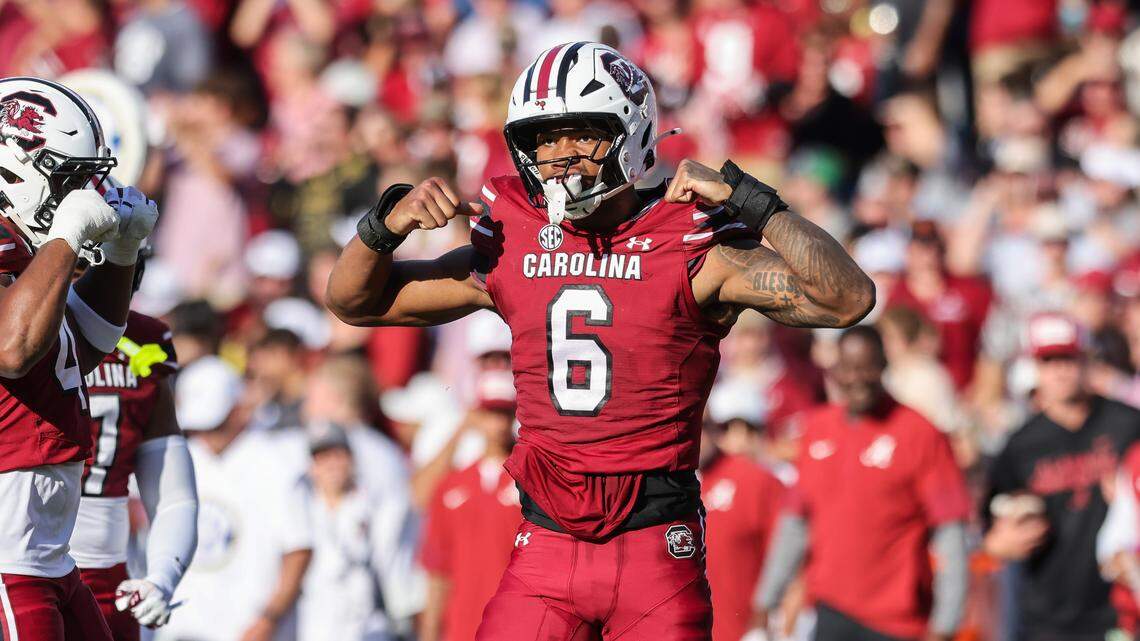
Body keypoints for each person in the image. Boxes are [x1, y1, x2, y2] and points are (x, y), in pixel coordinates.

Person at [328, 42, 874, 641]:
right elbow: (354, 302)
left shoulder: (695, 244)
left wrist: (753, 202)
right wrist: (383, 227)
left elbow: (847, 297)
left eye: (581, 135)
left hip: (655, 550)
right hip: (544, 547)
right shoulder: (513, 242)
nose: (560, 156)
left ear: (632, 131)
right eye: (544, 138)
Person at [0, 76, 159, 641]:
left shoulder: (23, 246)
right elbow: (11, 350)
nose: (83, 193)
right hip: (8, 556)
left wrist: (121, 254)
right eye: (68, 181)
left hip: (46, 555)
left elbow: (82, 347)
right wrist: (66, 236)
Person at [757, 326, 971, 641]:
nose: (856, 377)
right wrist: (765, 601)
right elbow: (795, 523)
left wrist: (945, 626)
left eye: (867, 366)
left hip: (897, 622)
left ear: (884, 366)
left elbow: (951, 534)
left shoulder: (921, 434)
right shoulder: (818, 428)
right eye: (847, 367)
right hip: (831, 610)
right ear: (834, 372)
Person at [984, 313, 1140, 641]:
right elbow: (990, 525)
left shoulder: (1127, 423)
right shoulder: (1022, 445)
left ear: (1086, 360)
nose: (1061, 371)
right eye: (1050, 361)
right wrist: (999, 542)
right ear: (1036, 368)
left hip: (1122, 608)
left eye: (1069, 358)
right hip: (1049, 613)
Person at [72, 283, 199, 640]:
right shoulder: (15, 328)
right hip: (16, 567)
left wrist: (162, 576)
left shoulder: (141, 346)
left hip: (104, 578)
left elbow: (174, 496)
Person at [160, 356, 312, 641]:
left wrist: (268, 619)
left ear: (238, 410)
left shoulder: (279, 464)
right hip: (182, 630)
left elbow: (298, 550)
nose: (206, 435)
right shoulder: (179, 458)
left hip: (249, 630)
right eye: (199, 426)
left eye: (214, 425)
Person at [296, 422, 423, 641]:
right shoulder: (299, 510)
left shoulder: (376, 507)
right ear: (312, 466)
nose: (332, 465)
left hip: (367, 626)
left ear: (351, 459)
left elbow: (394, 566)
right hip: (315, 627)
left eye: (338, 455)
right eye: (323, 458)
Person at [419, 375, 521, 641]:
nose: (497, 422)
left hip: (516, 624)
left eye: (503, 413)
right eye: (489, 413)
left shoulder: (529, 484)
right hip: (462, 626)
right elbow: (438, 567)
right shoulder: (452, 486)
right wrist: (429, 631)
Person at [698, 417, 785, 641]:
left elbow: (789, 558)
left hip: (745, 630)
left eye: (701, 425)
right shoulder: (665, 486)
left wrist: (769, 623)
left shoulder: (755, 479)